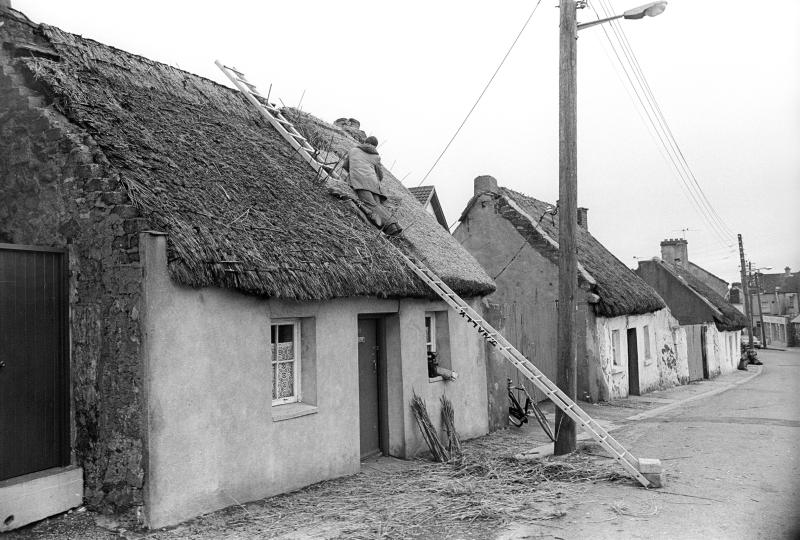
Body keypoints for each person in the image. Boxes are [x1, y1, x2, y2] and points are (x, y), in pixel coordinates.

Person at [343, 136, 402, 236]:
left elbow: (345, 165)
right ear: (375, 146)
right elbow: (380, 175)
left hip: (360, 181)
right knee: (377, 205)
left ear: (365, 141)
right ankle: (396, 225)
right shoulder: (376, 157)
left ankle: (390, 226)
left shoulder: (353, 150)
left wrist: (354, 173)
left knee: (370, 204)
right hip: (374, 184)